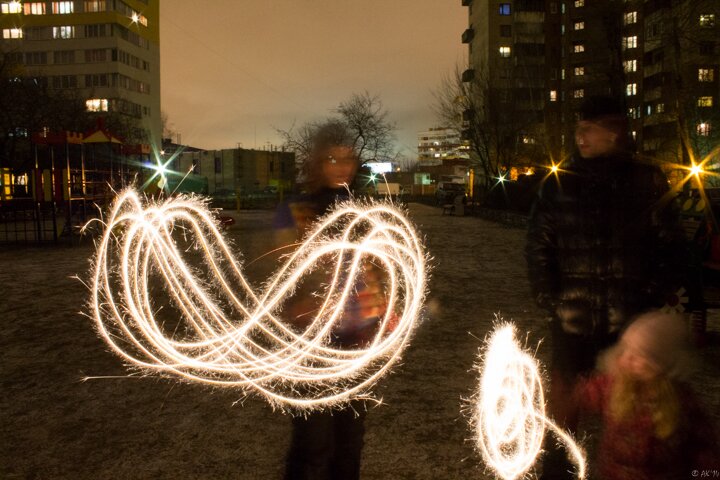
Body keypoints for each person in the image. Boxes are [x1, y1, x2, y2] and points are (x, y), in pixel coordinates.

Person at [525, 95, 687, 479]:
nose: (579, 136)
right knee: (563, 422)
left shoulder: (645, 181)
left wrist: (647, 298)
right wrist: (552, 301)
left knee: (632, 420)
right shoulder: (560, 183)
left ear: (613, 132)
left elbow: (673, 246)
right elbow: (538, 247)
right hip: (572, 324)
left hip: (626, 328)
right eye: (577, 129)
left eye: (588, 129)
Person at [275, 123, 389, 480]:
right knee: (314, 442)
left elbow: (374, 266)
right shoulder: (295, 211)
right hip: (313, 342)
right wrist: (297, 302)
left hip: (357, 338)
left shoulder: (359, 211)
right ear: (315, 163)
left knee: (351, 440)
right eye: (332, 159)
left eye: (348, 159)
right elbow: (276, 273)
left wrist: (383, 303)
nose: (342, 167)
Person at [575, 311, 718, 479]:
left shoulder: (684, 402)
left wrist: (709, 472)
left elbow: (703, 447)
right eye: (625, 349)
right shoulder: (613, 384)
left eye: (638, 355)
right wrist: (568, 396)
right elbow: (584, 394)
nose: (627, 358)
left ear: (660, 364)